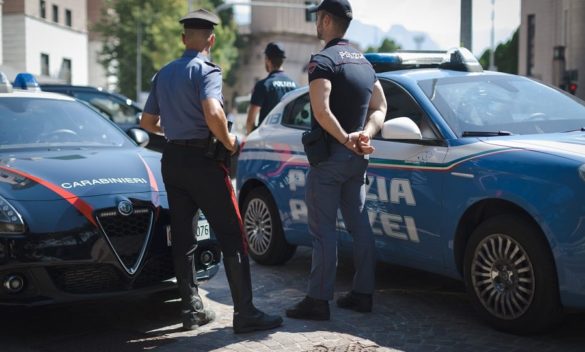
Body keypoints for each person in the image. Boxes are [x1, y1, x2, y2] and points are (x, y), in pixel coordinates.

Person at [140, 9, 283, 333]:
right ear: (211, 40)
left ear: (182, 38)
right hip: (205, 163)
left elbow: (147, 124)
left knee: (184, 238)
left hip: (173, 161)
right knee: (232, 235)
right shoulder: (206, 70)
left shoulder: (163, 73)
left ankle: (191, 311)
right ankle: (245, 314)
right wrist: (230, 141)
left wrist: (175, 131)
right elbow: (213, 110)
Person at [285, 0, 387, 320]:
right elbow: (381, 106)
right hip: (357, 158)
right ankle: (362, 294)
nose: (316, 22)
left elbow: (321, 110)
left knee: (323, 230)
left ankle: (318, 300)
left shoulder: (323, 60)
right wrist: (364, 135)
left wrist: (345, 138)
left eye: (318, 17)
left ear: (327, 20)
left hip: (331, 157)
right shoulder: (364, 63)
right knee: (360, 225)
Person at [246, 42, 297, 135]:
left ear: (268, 60)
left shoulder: (263, 85)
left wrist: (252, 136)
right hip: (287, 139)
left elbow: (250, 120)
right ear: (282, 60)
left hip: (266, 140)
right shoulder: (295, 86)